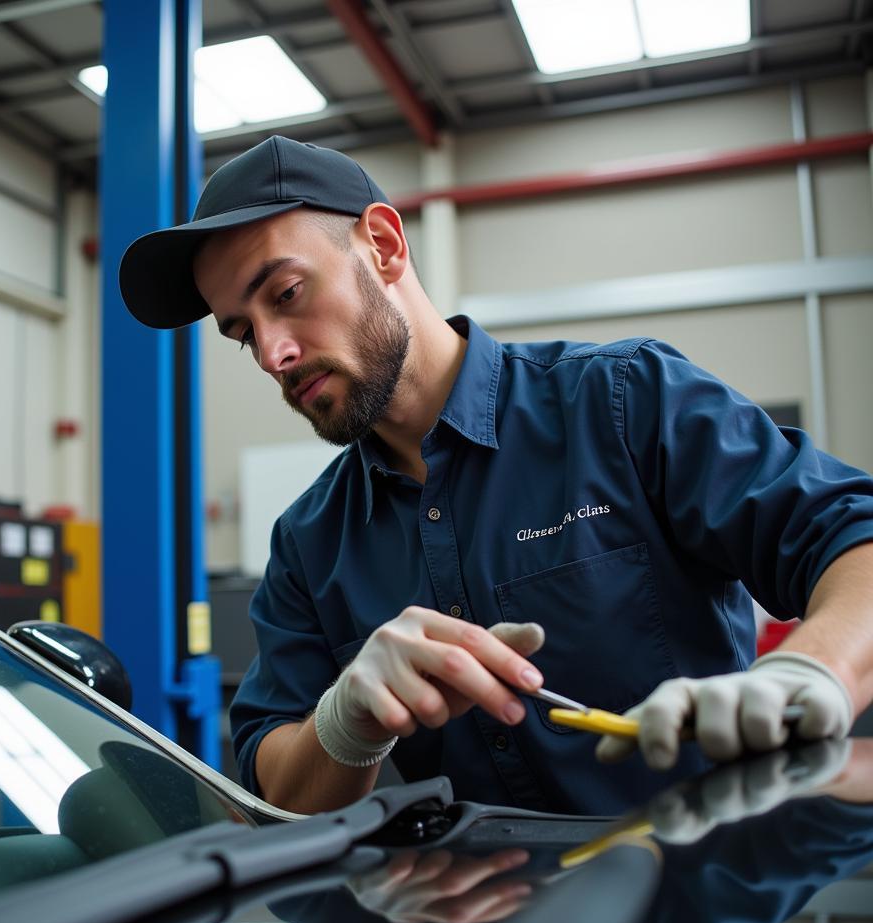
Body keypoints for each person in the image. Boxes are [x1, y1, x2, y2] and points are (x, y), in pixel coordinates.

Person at [120, 135, 873, 816]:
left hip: (693, 914)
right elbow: (275, 785)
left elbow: (853, 539)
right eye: (242, 332)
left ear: (382, 245)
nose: (272, 354)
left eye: (285, 295)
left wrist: (812, 674)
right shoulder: (309, 545)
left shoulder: (624, 403)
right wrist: (345, 723)